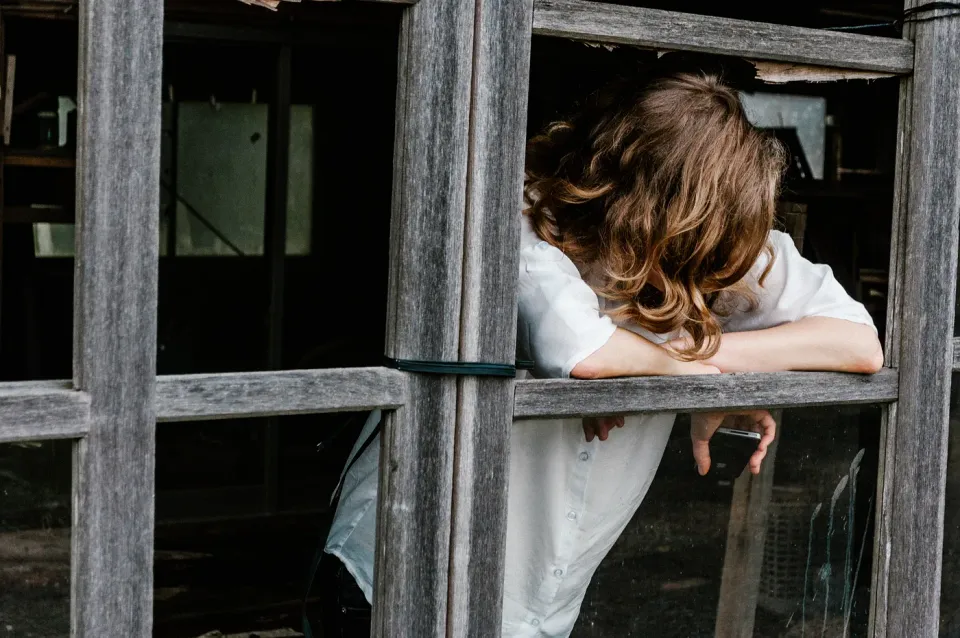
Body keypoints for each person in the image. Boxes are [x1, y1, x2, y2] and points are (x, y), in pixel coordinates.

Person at [318, 54, 883, 637]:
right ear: (645, 197)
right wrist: (694, 380)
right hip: (402, 565)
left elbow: (859, 343)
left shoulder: (725, 235)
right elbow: (583, 354)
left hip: (544, 600)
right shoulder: (521, 209)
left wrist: (705, 366)